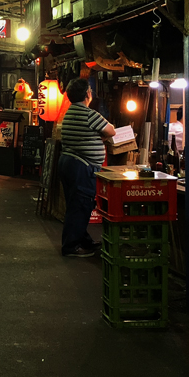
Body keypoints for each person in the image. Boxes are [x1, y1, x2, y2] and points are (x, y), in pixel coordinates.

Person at [58, 77, 116, 258]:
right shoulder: (88, 113)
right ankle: (71, 247)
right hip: (81, 167)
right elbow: (111, 130)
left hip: (69, 163)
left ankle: (83, 240)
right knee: (81, 206)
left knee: (77, 205)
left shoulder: (70, 112)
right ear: (87, 94)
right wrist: (102, 138)